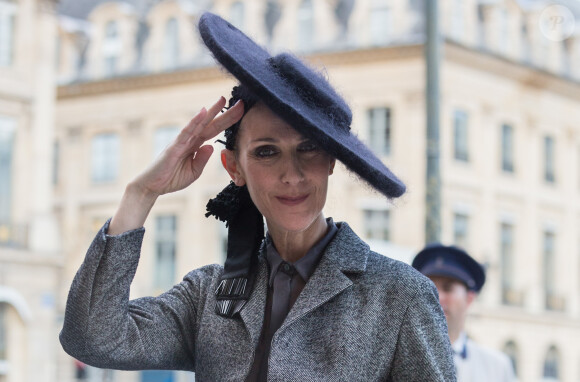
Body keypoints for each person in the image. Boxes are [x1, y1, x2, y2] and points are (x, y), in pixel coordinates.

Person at [59, 12, 456, 381]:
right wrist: (141, 193)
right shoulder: (208, 295)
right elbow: (92, 338)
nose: (292, 174)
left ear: (331, 161)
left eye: (309, 149)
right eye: (267, 152)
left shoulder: (399, 294)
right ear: (234, 167)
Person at [412, 244, 516, 382]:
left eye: (448, 288)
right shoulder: (396, 359)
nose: (437, 296)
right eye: (428, 287)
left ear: (469, 298)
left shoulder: (496, 367)